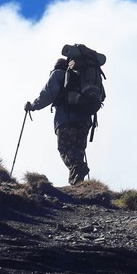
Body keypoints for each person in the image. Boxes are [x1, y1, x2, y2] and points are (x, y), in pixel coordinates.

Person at [25, 57, 92, 185]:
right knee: (78, 152)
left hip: (66, 120)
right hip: (84, 121)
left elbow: (48, 94)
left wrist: (33, 106)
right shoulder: (82, 77)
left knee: (65, 149)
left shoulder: (58, 74)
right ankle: (78, 184)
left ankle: (78, 171)